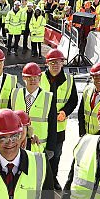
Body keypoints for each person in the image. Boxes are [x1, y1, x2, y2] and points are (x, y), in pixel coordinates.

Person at [38, 49, 78, 187]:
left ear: (63, 63)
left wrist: (65, 112)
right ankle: (41, 179)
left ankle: (52, 179)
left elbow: (73, 100)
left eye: (58, 62)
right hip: (42, 126)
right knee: (41, 154)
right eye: (52, 62)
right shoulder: (40, 78)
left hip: (59, 126)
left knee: (56, 155)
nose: (55, 65)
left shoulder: (69, 80)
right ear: (47, 63)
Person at [78, 63, 100, 137]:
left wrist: (98, 137)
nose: (99, 79)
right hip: (86, 134)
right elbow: (81, 112)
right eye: (96, 76)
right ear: (92, 78)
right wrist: (82, 132)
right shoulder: (87, 90)